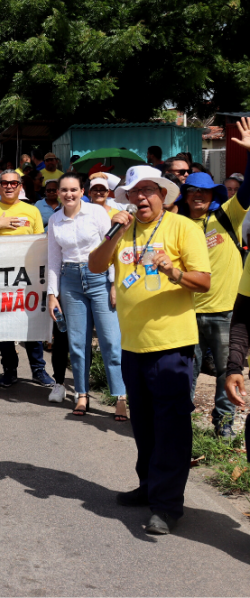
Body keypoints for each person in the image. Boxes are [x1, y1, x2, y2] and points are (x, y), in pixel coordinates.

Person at [88, 165, 211, 535]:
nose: (140, 197)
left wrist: (174, 272)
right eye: (133, 192)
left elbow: (203, 281)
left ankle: (168, 506)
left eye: (147, 190)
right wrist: (114, 234)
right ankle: (148, 487)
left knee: (170, 427)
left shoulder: (183, 228)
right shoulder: (121, 230)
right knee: (143, 426)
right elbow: (95, 266)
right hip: (133, 346)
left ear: (163, 194)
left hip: (172, 347)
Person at [180, 125, 250, 436]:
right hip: (187, 313)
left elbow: (249, 191)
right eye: (192, 191)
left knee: (227, 372)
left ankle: (223, 426)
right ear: (186, 195)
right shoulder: (177, 225)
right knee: (186, 373)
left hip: (226, 312)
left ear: (212, 195)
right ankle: (182, 426)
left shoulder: (227, 215)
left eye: (203, 191)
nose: (198, 196)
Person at [47, 173, 125, 418]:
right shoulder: (54, 220)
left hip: (99, 277)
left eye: (73, 189)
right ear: (58, 193)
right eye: (64, 190)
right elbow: (53, 259)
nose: (68, 194)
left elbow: (110, 248)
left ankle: (120, 397)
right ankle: (82, 394)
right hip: (69, 280)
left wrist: (114, 283)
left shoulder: (97, 213)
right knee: (78, 344)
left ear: (83, 191)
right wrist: (52, 294)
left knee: (111, 340)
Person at [0, 171, 54, 389]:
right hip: (0, 278)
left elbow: (41, 243)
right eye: (5, 183)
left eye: (13, 183)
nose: (9, 186)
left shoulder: (32, 211)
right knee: (5, 325)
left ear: (20, 186)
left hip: (28, 277)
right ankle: (9, 370)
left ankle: (38, 369)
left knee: (31, 324)